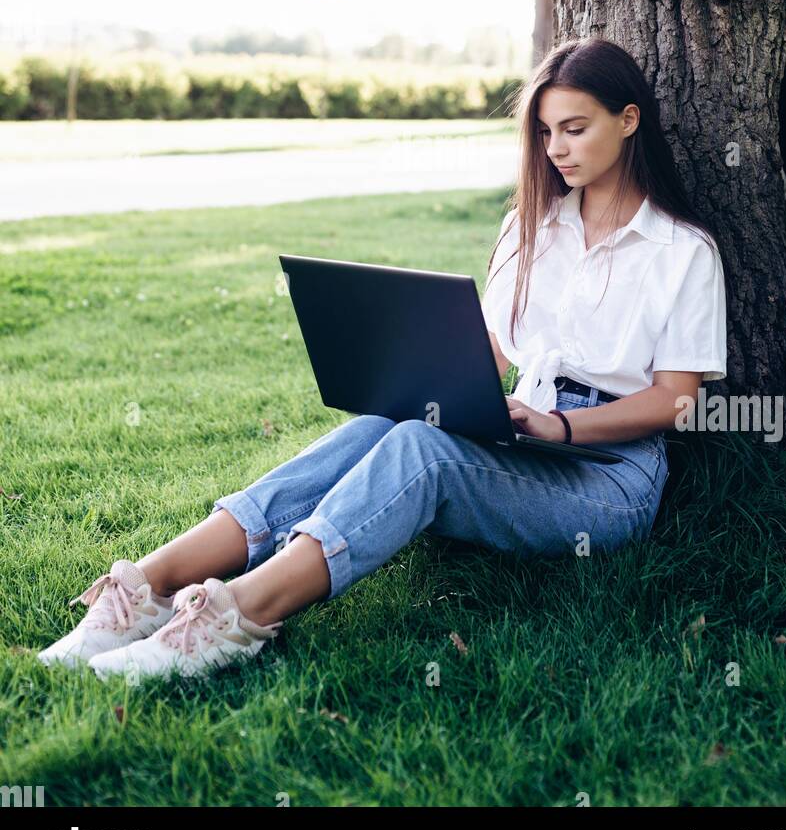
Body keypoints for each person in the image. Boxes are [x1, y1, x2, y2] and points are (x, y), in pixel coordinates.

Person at [37, 35, 728, 684]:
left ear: (628, 119)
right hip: (519, 426)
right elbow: (489, 348)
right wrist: (433, 386)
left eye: (574, 129)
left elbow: (676, 399)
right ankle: (147, 588)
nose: (555, 149)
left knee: (421, 453)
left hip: (608, 475)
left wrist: (563, 429)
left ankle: (235, 616)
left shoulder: (681, 252)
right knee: (383, 429)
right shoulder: (531, 225)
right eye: (544, 132)